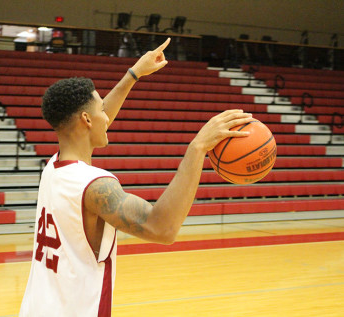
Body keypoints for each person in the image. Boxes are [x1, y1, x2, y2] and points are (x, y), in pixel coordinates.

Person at [19, 38, 253, 316]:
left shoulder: (53, 167)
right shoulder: (95, 186)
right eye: (101, 111)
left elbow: (96, 120)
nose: (107, 116)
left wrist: (134, 74)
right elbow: (161, 228)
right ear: (86, 120)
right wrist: (197, 148)